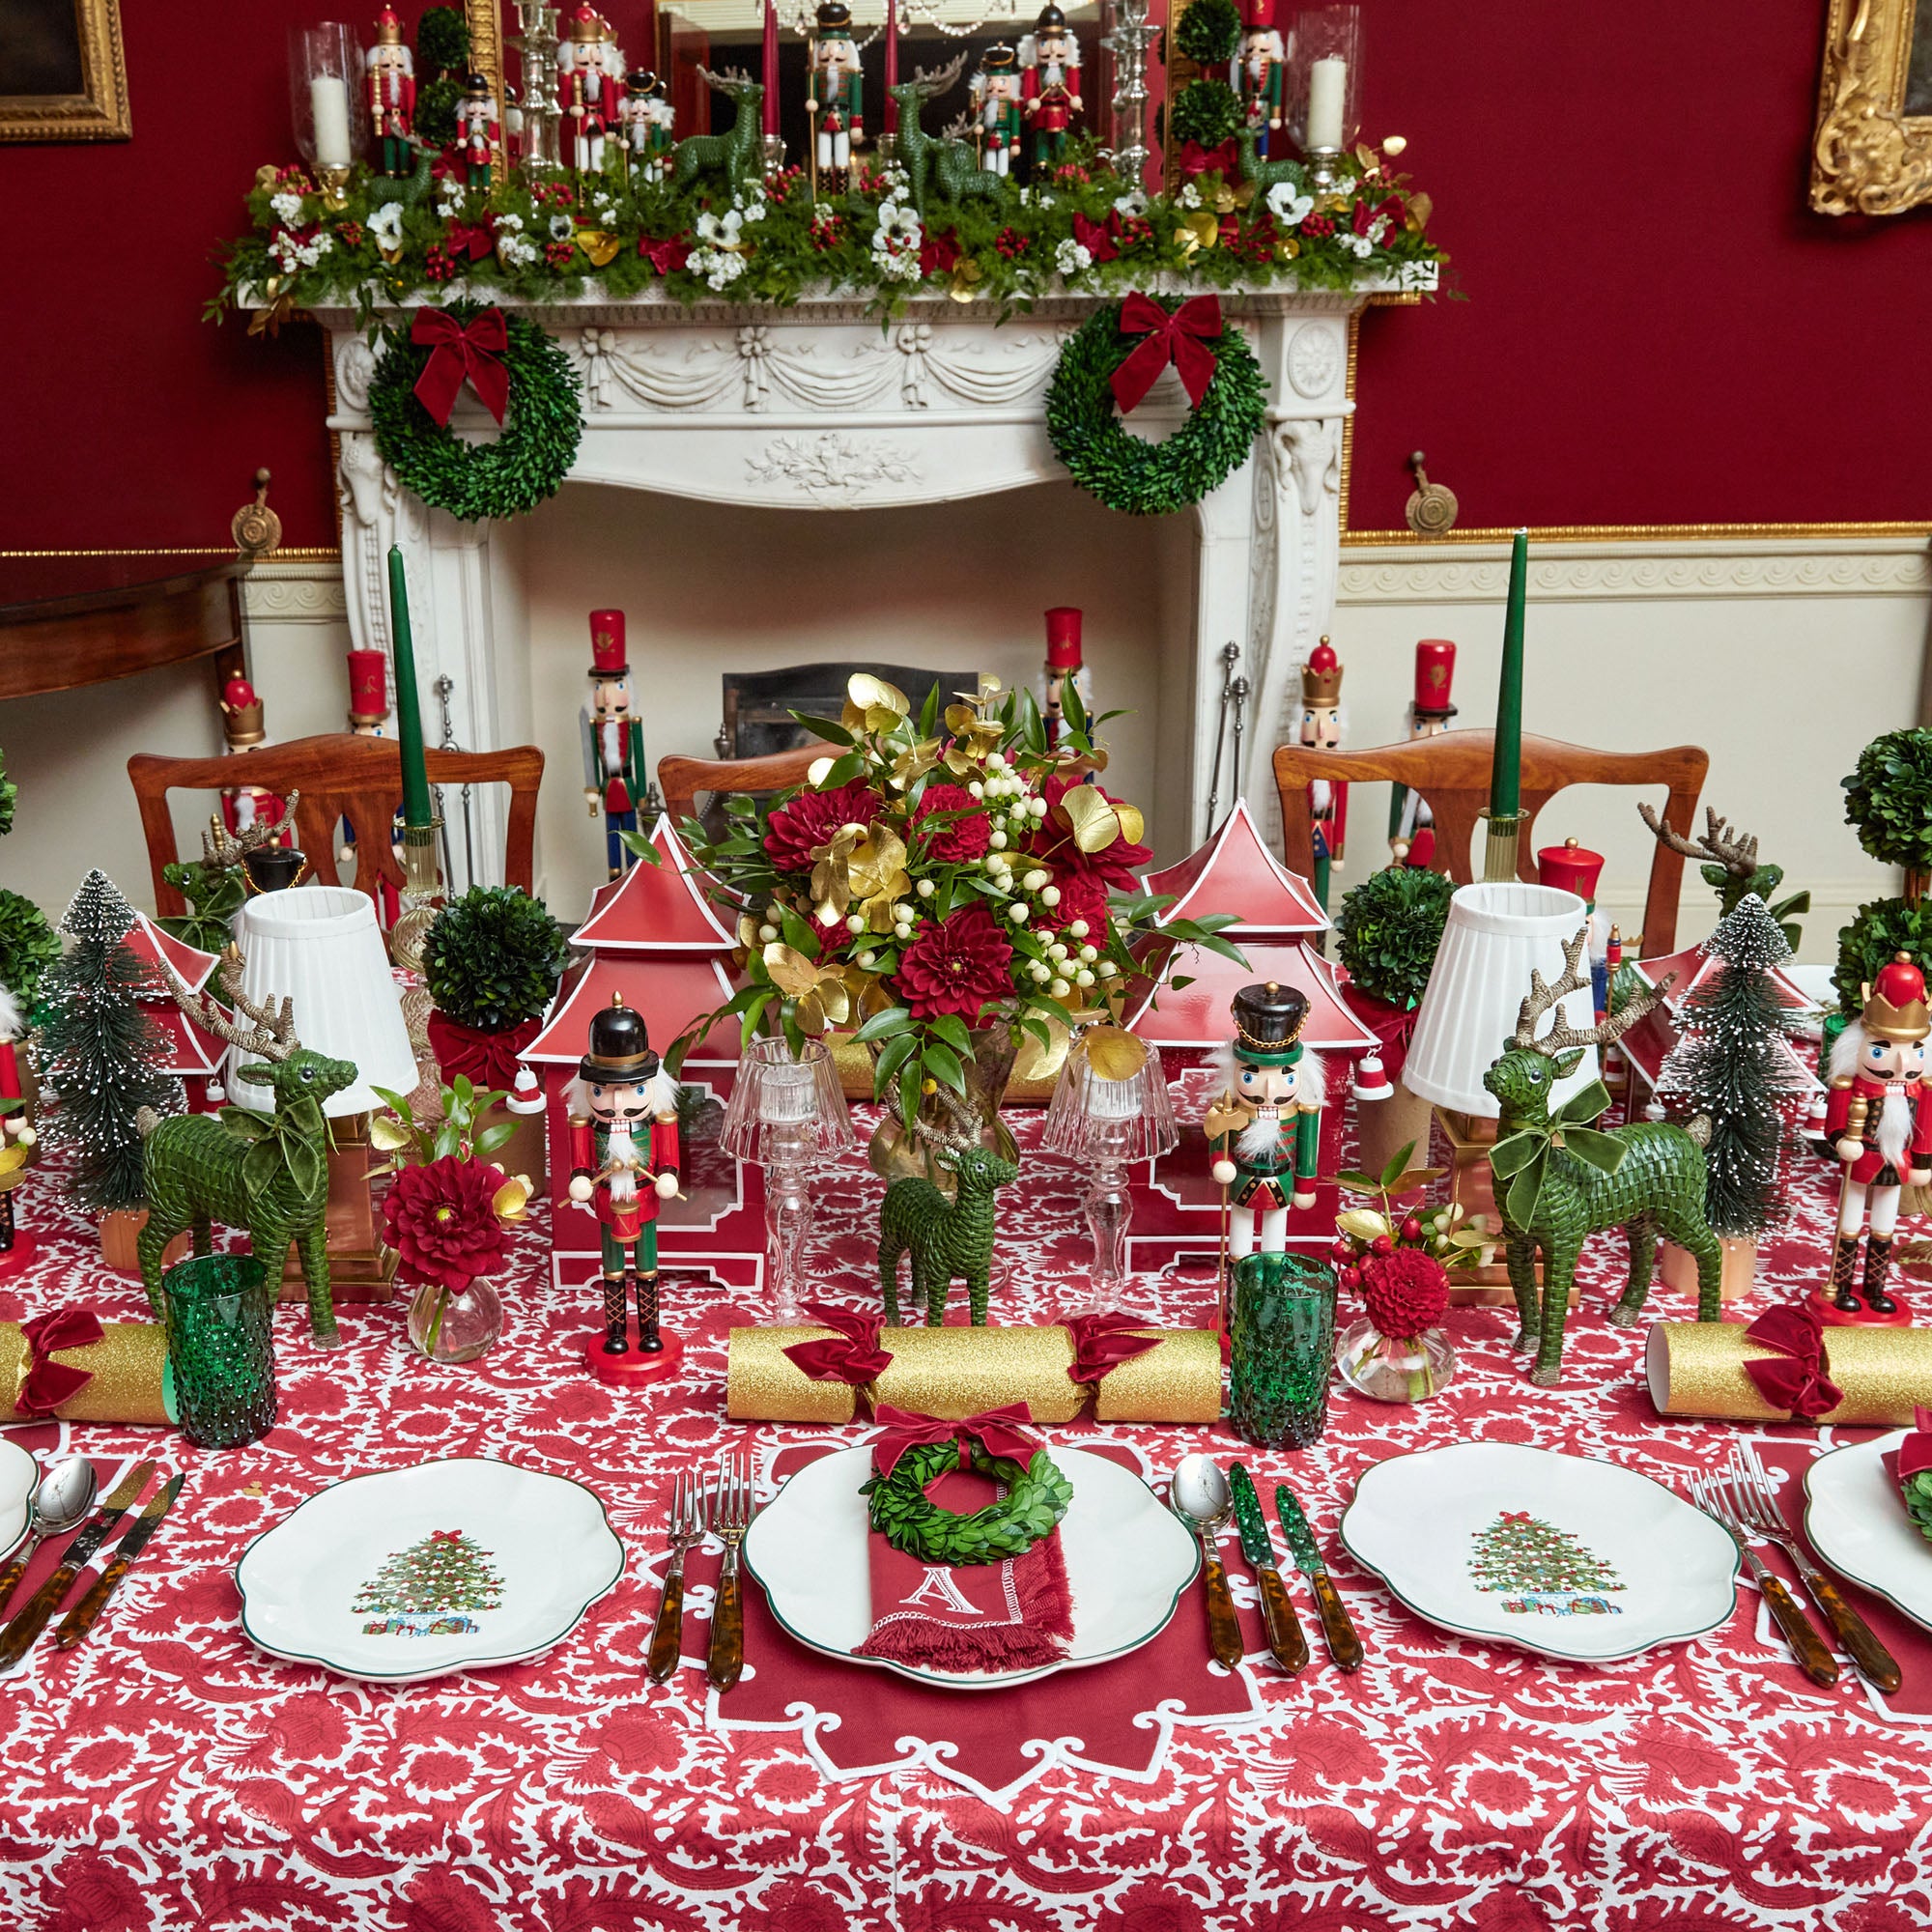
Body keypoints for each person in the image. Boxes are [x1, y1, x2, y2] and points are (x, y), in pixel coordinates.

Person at [567, 997, 681, 1362]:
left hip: (644, 1199)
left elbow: (669, 1159)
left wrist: (668, 1175)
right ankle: (615, 1330)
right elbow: (580, 1163)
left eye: (632, 1089)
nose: (618, 1101)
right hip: (607, 1201)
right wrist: (581, 1179)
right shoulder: (586, 1125)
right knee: (612, 1265)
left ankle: (650, 1329)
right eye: (602, 1090)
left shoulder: (658, 1121)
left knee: (648, 1264)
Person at [1824, 952, 1932, 1319]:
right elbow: (1834, 1125)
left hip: (1897, 1165)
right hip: (1862, 1162)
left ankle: (1875, 1287)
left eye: (1915, 1051)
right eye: (1882, 1049)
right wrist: (1843, 1141)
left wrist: (1923, 1161)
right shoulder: (1849, 1086)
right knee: (1850, 1224)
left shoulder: (1922, 1091)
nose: (1901, 1065)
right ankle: (1840, 1286)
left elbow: (1925, 1131)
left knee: (1885, 1228)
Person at [1206, 982, 1326, 1262]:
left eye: (1286, 1076)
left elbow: (1307, 1153)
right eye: (1250, 1077)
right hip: (1243, 1180)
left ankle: (1271, 1277)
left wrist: (1306, 1185)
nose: (1270, 1091)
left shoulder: (1303, 1112)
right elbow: (1218, 1138)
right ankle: (1239, 1274)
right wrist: (1220, 1163)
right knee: (1239, 1244)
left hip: (1281, 1181)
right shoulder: (1229, 1110)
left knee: (1275, 1245)